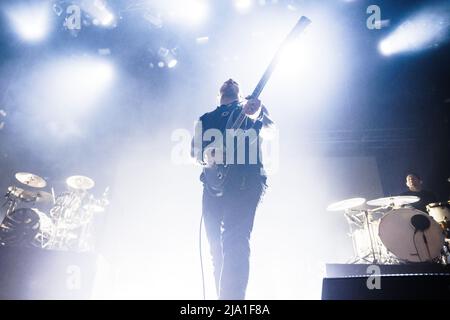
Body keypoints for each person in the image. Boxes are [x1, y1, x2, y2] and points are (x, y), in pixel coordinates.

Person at [191, 78, 274, 300]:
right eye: (226, 81)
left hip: (245, 182)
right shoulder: (205, 119)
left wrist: (255, 113)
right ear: (218, 94)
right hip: (212, 186)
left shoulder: (249, 106)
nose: (230, 80)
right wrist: (208, 157)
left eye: (235, 80)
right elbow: (194, 152)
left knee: (235, 241)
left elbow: (268, 130)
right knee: (215, 249)